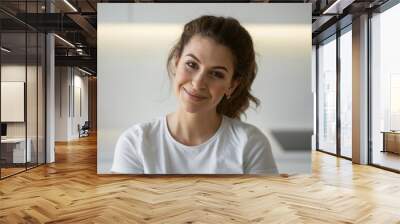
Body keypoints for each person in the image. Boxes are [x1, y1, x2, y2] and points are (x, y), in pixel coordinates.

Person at [111, 15, 278, 174]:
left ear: (232, 85)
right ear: (176, 62)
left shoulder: (251, 144)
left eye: (216, 74)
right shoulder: (136, 142)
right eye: (191, 64)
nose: (198, 83)